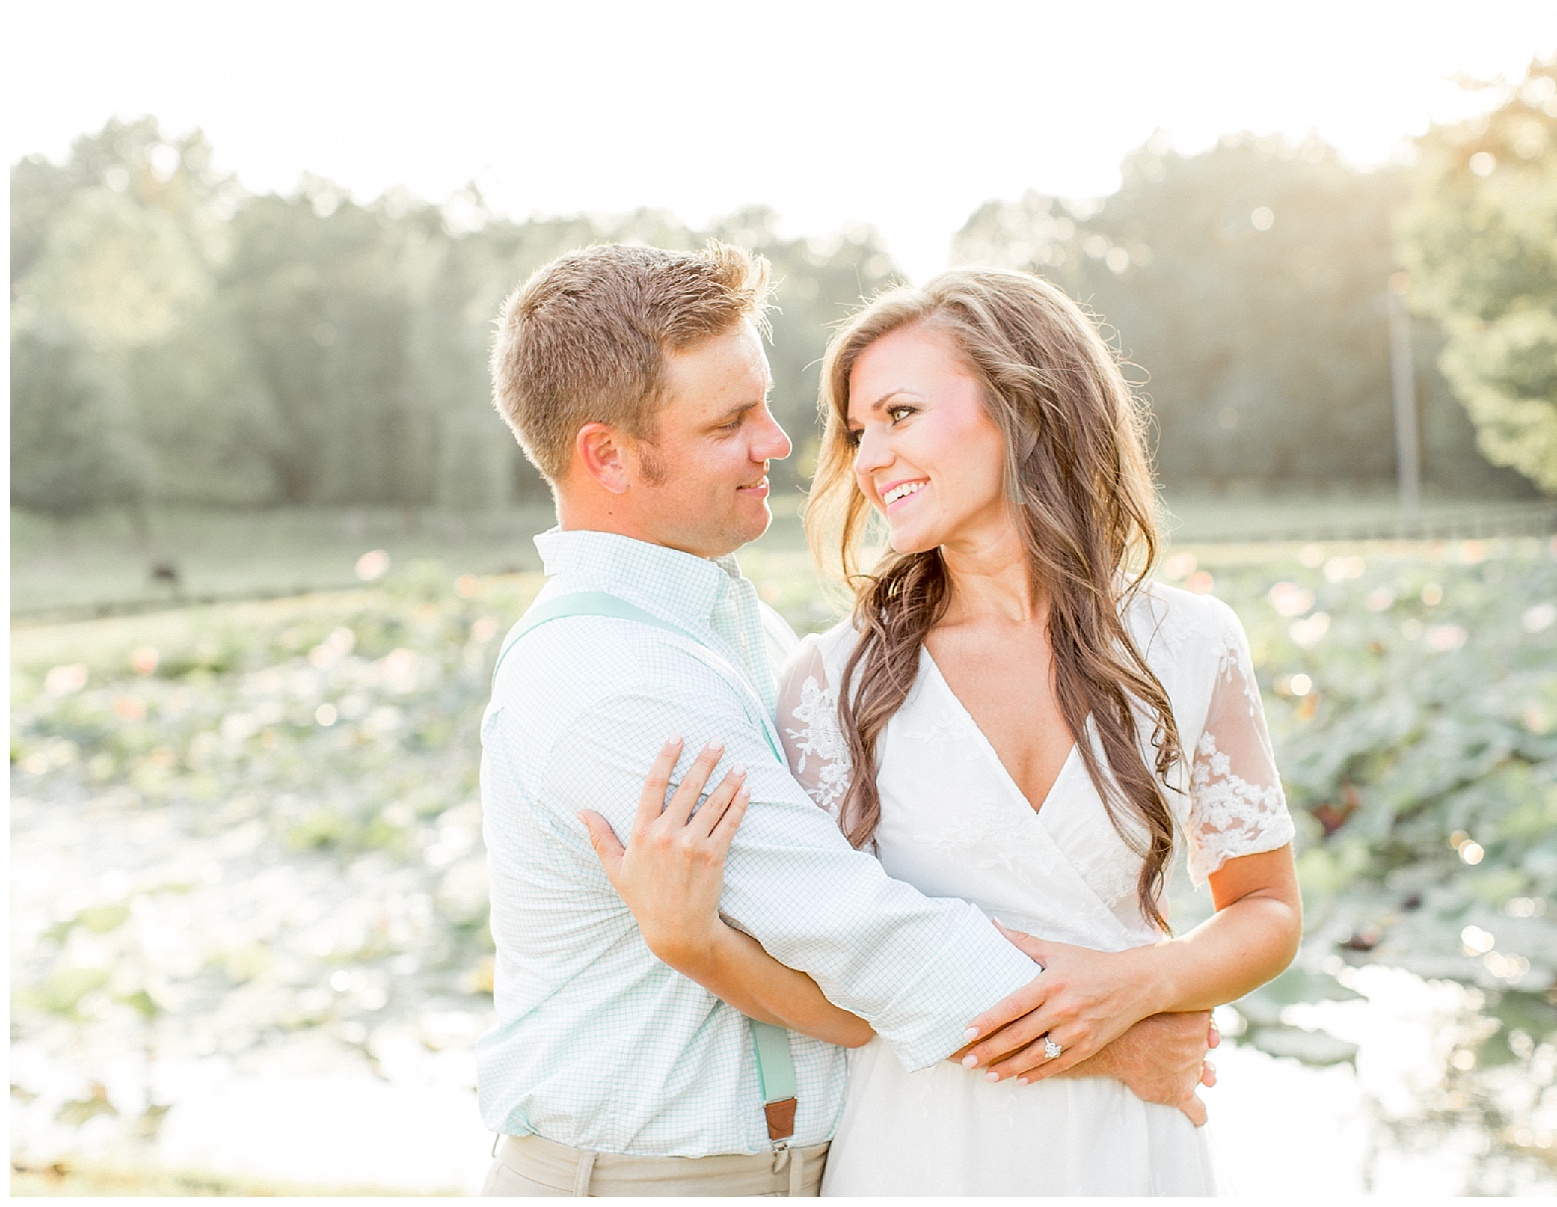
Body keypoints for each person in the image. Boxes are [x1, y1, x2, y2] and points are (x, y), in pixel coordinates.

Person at [476, 243, 1218, 1197]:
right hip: (646, 1182)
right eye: (730, 421)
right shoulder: (612, 683)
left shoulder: (734, 627)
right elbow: (855, 937)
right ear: (607, 456)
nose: (779, 442)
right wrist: (1112, 1039)